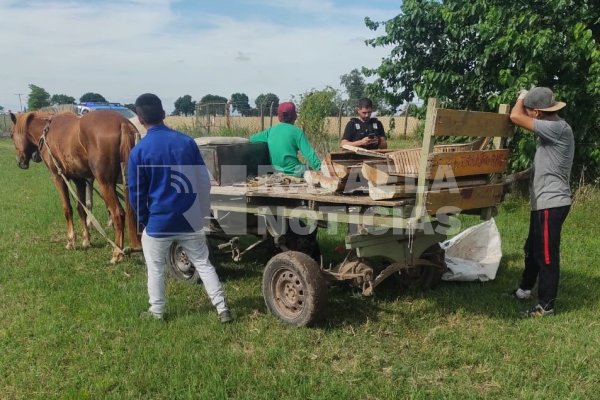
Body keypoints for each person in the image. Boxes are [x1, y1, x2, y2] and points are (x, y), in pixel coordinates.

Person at [127, 93, 232, 323]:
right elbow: (203, 182)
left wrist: (145, 220)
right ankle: (222, 307)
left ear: (140, 119)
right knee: (203, 263)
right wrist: (201, 210)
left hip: (158, 222)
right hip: (190, 219)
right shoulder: (187, 143)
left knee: (155, 267)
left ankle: (157, 311)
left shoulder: (139, 152)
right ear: (163, 114)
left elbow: (135, 194)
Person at [509, 87, 574, 317]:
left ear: (536, 113)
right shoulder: (550, 131)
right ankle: (524, 289)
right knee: (533, 249)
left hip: (552, 202)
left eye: (529, 110)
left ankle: (546, 305)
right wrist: (518, 176)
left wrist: (520, 96)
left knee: (546, 254)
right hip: (543, 202)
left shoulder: (556, 127)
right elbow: (544, 165)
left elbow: (515, 117)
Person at [249, 101, 321, 177]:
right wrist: (320, 169)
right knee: (308, 168)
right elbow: (309, 154)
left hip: (276, 171)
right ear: (295, 116)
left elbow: (251, 139)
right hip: (295, 172)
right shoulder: (297, 132)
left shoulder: (270, 131)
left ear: (279, 117)